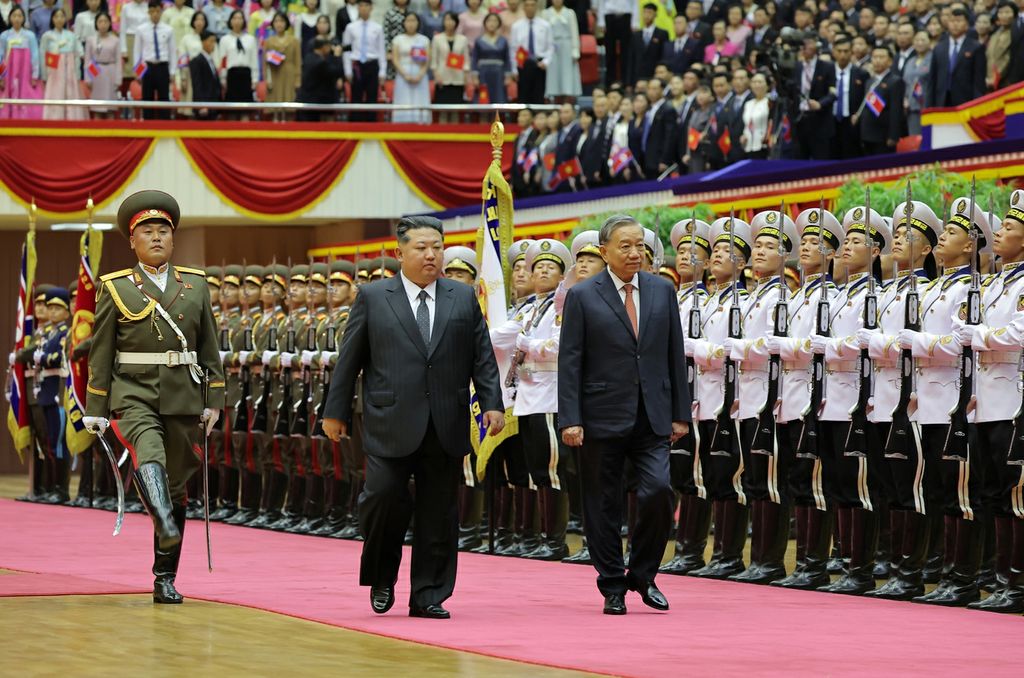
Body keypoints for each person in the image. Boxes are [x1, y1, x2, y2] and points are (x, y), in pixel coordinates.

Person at [322, 216, 504, 620]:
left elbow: (482, 357)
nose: (430, 254)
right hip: (389, 420)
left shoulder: (461, 296)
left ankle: (428, 594)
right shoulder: (373, 296)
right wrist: (334, 413)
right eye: (421, 247)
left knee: (439, 512)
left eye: (436, 246)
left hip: (446, 419)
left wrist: (492, 403)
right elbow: (349, 359)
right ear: (400, 252)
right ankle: (382, 575)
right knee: (383, 499)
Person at [82, 190, 224, 604]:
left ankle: (165, 576)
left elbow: (210, 346)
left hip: (183, 393)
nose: (157, 237)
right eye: (147, 231)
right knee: (149, 451)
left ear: (173, 238)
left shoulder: (195, 286)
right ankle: (161, 517)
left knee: (177, 484)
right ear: (132, 240)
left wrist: (214, 399)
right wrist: (96, 409)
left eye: (164, 230)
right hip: (133, 392)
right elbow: (101, 350)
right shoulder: (116, 287)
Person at [558, 214, 690, 614]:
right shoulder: (583, 296)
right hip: (600, 415)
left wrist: (680, 413)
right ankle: (612, 583)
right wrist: (570, 418)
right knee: (601, 504)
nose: (635, 253)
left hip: (653, 414)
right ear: (605, 251)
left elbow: (673, 353)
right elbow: (571, 362)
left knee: (658, 491)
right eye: (626, 246)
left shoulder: (661, 290)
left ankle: (644, 574)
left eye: (640, 246)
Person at [899, 198, 995, 606]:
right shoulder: (934, 286)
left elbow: (960, 344)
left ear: (971, 246)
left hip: (956, 401)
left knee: (961, 495)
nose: (942, 238)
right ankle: (936, 571)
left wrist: (915, 342)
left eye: (952, 233)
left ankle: (964, 578)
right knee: (934, 490)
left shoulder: (970, 288)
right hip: (927, 403)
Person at [856, 199, 940, 601]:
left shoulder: (929, 291)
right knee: (886, 486)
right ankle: (894, 565)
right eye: (899, 233)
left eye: (910, 236)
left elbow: (920, 346)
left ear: (927, 250)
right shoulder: (888, 292)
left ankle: (911, 572)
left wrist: (880, 342)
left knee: (912, 489)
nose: (900, 239)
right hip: (882, 401)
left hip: (914, 402)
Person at [813, 206, 892, 596]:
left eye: (857, 241)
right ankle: (847, 563)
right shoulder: (842, 294)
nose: (847, 247)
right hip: (832, 399)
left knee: (861, 484)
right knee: (839, 483)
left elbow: (870, 343)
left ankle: (861, 569)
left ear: (876, 251)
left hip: (858, 399)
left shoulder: (875, 295)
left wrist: (832, 347)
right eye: (846, 241)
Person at [769, 207, 844, 590]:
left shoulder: (829, 295)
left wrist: (788, 345)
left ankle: (815, 564)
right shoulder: (799, 295)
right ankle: (804, 562)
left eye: (816, 242)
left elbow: (821, 346)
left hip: (815, 397)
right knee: (798, 480)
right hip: (791, 396)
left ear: (832, 253)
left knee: (816, 482)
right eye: (805, 241)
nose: (807, 247)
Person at [724, 209, 798, 585]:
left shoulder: (780, 295)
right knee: (752, 478)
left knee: (770, 480)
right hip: (746, 393)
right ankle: (757, 559)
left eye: (771, 246)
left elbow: (774, 345)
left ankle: (770, 561)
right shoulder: (754, 295)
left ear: (786, 256)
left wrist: (736, 348)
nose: (761, 251)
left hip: (769, 394)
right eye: (758, 245)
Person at [491, 239, 572, 560]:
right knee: (535, 469)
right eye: (536, 267)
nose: (540, 273)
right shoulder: (529, 307)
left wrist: (526, 342)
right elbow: (498, 335)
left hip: (550, 395)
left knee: (552, 470)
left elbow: (559, 345)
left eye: (549, 268)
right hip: (526, 396)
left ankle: (555, 540)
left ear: (561, 276)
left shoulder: (561, 305)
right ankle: (538, 535)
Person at [965, 189, 1024, 613]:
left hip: (1011, 400)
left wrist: (978, 337)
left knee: (1012, 494)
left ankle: (1015, 582)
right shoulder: (992, 284)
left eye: (1009, 227)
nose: (999, 233)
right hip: (984, 401)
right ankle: (998, 575)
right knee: (987, 490)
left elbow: (1018, 333)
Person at [688, 215, 752, 580]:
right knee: (710, 475)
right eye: (714, 250)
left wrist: (702, 351)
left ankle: (730, 555)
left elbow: (734, 350)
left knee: (732, 477)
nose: (716, 256)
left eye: (727, 251)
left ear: (741, 264)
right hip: (705, 397)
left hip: (732, 397)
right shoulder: (709, 300)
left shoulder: (741, 300)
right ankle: (710, 553)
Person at [658, 217, 711, 576]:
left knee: (699, 476)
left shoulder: (707, 302)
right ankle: (683, 548)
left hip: (707, 396)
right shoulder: (672, 298)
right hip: (674, 396)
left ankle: (694, 550)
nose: (685, 257)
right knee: (679, 473)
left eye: (694, 251)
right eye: (680, 250)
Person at [34, 286, 72, 504]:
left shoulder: (66, 333)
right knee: (49, 442)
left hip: (57, 389)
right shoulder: (49, 334)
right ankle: (53, 487)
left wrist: (45, 357)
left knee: (59, 442)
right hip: (46, 391)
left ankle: (62, 489)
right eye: (51, 308)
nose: (54, 312)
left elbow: (59, 357)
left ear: (67, 312)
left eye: (59, 308)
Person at [928, 6, 986, 107]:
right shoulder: (939, 48)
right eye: (952, 21)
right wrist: (929, 105)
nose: (955, 24)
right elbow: (932, 80)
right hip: (941, 101)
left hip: (966, 102)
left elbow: (979, 82)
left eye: (959, 21)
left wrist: (977, 104)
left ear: (967, 25)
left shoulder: (976, 47)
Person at [791, 34, 836, 161]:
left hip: (820, 120)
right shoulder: (796, 67)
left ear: (816, 45)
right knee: (800, 159)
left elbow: (833, 93)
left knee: (821, 159)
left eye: (809, 43)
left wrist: (820, 104)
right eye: (803, 44)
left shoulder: (827, 66)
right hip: (800, 119)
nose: (805, 47)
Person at [342, 0, 385, 121]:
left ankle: (371, 127)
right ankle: (355, 127)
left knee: (372, 97)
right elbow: (346, 50)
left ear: (371, 8)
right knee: (356, 97)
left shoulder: (377, 28)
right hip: (357, 66)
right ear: (357, 8)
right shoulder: (350, 27)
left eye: (367, 6)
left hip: (372, 65)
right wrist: (347, 70)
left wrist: (382, 71)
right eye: (361, 5)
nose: (364, 8)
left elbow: (381, 50)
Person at [133, 0, 177, 120]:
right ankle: (148, 126)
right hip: (148, 67)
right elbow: (137, 52)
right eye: (152, 11)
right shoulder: (141, 29)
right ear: (148, 12)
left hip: (162, 66)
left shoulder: (169, 30)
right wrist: (138, 72)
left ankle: (164, 127)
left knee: (164, 99)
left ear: (161, 12)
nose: (155, 14)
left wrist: (172, 72)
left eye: (158, 11)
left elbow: (172, 52)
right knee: (147, 99)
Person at [39, 8, 86, 120]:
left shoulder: (71, 35)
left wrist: (77, 74)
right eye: (56, 16)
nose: (59, 19)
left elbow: (77, 54)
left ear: (65, 19)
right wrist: (45, 75)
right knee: (55, 93)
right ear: (52, 19)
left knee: (71, 93)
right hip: (54, 71)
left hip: (70, 70)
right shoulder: (47, 36)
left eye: (62, 16)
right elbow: (42, 55)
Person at [0, 6, 43, 120]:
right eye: (14, 16)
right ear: (9, 19)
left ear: (24, 18)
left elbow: (35, 56)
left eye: (20, 15)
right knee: (9, 92)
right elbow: (1, 56)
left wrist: (34, 75)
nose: (17, 18)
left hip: (25, 71)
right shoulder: (4, 36)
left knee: (24, 92)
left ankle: (23, 118)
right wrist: (1, 77)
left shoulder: (30, 36)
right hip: (9, 72)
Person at [509, 0, 552, 104]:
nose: (530, 8)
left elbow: (550, 46)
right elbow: (513, 49)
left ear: (536, 7)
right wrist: (514, 69)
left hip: (539, 64)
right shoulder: (516, 26)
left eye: (532, 5)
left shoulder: (545, 25)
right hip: (523, 64)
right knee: (523, 95)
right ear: (523, 7)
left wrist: (546, 62)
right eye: (527, 5)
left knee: (538, 96)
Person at [832, 36, 868, 160]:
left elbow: (865, 98)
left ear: (851, 52)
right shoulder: (827, 71)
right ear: (833, 51)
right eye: (839, 51)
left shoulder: (861, 74)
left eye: (846, 51)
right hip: (831, 121)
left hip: (852, 121)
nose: (842, 55)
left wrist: (859, 115)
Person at [391, 11, 430, 123]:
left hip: (419, 74)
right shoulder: (398, 39)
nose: (411, 24)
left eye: (413, 21)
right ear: (404, 23)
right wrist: (405, 74)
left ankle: (421, 123)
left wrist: (420, 74)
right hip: (403, 73)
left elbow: (427, 60)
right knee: (403, 100)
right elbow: (395, 59)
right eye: (408, 21)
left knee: (419, 101)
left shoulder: (424, 40)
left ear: (418, 23)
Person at [541, 0, 581, 102]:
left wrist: (575, 49)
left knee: (567, 73)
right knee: (553, 74)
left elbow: (574, 31)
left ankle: (567, 99)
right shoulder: (545, 13)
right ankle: (552, 98)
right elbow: (543, 34)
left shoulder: (570, 12)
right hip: (552, 46)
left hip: (567, 45)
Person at [219, 9, 258, 111]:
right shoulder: (225, 40)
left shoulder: (251, 39)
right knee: (231, 110)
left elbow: (254, 60)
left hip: (246, 74)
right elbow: (223, 61)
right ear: (230, 21)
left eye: (240, 18)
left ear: (244, 21)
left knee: (246, 109)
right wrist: (223, 79)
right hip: (231, 75)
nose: (237, 21)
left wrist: (255, 79)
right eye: (234, 18)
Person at [84, 11, 120, 118]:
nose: (103, 24)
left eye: (105, 21)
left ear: (109, 23)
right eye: (100, 21)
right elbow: (87, 60)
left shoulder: (115, 40)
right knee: (97, 108)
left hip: (111, 72)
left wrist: (118, 79)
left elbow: (118, 61)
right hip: (96, 73)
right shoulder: (91, 40)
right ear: (96, 24)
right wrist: (88, 78)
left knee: (110, 109)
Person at [638, 77, 676, 178]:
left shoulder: (668, 109)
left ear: (662, 90)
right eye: (649, 88)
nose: (651, 92)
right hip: (647, 158)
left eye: (655, 89)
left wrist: (665, 160)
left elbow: (670, 137)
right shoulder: (649, 109)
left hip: (659, 160)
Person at [264, 12, 302, 113]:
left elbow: (298, 61)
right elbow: (265, 63)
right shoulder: (268, 41)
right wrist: (267, 79)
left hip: (290, 74)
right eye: (276, 21)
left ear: (286, 23)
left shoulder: (294, 41)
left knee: (289, 102)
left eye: (282, 21)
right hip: (275, 73)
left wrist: (298, 79)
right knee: (275, 101)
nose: (279, 24)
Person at [472, 12, 510, 104]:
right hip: (483, 73)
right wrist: (475, 76)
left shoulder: (503, 40)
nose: (492, 23)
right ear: (485, 23)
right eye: (489, 21)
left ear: (499, 24)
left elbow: (507, 60)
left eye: (495, 21)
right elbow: (474, 59)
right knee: (484, 99)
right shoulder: (479, 40)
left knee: (498, 99)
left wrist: (508, 76)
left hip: (498, 74)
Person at [627, 3, 667, 86]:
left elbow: (664, 55)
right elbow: (631, 59)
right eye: (644, 12)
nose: (646, 15)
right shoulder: (636, 35)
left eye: (649, 12)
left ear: (655, 14)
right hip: (637, 76)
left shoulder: (662, 34)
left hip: (654, 75)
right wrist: (629, 83)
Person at [903, 30, 932, 135]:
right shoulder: (910, 61)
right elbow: (905, 83)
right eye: (917, 40)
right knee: (914, 140)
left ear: (930, 42)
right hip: (911, 108)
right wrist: (905, 98)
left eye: (923, 40)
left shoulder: (934, 59)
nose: (919, 43)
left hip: (927, 106)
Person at [740, 71, 772, 160]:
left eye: (760, 82)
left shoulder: (770, 102)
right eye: (754, 82)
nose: (756, 85)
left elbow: (772, 122)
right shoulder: (748, 104)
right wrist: (743, 134)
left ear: (767, 85)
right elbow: (747, 123)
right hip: (748, 144)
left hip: (763, 144)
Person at [190, 31, 222, 119]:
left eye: (214, 42)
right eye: (211, 41)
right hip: (204, 106)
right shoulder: (197, 61)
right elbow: (197, 85)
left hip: (213, 104)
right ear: (203, 42)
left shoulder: (211, 60)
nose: (213, 44)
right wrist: (201, 105)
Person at [383, 0, 410, 78]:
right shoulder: (390, 13)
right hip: (394, 50)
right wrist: (388, 50)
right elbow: (386, 33)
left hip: (408, 49)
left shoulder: (410, 12)